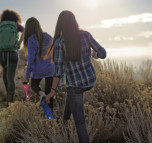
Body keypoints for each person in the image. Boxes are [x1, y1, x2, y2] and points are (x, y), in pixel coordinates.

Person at [45, 10, 106, 143]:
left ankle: (66, 125)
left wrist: (52, 92)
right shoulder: (85, 35)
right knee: (71, 95)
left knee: (80, 123)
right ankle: (64, 124)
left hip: (75, 86)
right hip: (90, 81)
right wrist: (95, 55)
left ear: (60, 25)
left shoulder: (60, 43)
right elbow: (103, 52)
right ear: (74, 21)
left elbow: (58, 71)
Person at [0, 9, 24, 104]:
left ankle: (8, 96)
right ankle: (10, 101)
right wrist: (19, 43)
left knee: (5, 73)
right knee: (11, 77)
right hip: (13, 52)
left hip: (2, 53)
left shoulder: (0, 24)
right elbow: (24, 30)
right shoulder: (15, 25)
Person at [23, 17, 54, 107]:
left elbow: (31, 59)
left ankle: (41, 94)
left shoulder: (31, 39)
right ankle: (51, 118)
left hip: (38, 69)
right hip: (50, 69)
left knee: (34, 84)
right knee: (50, 95)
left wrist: (28, 74)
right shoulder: (47, 36)